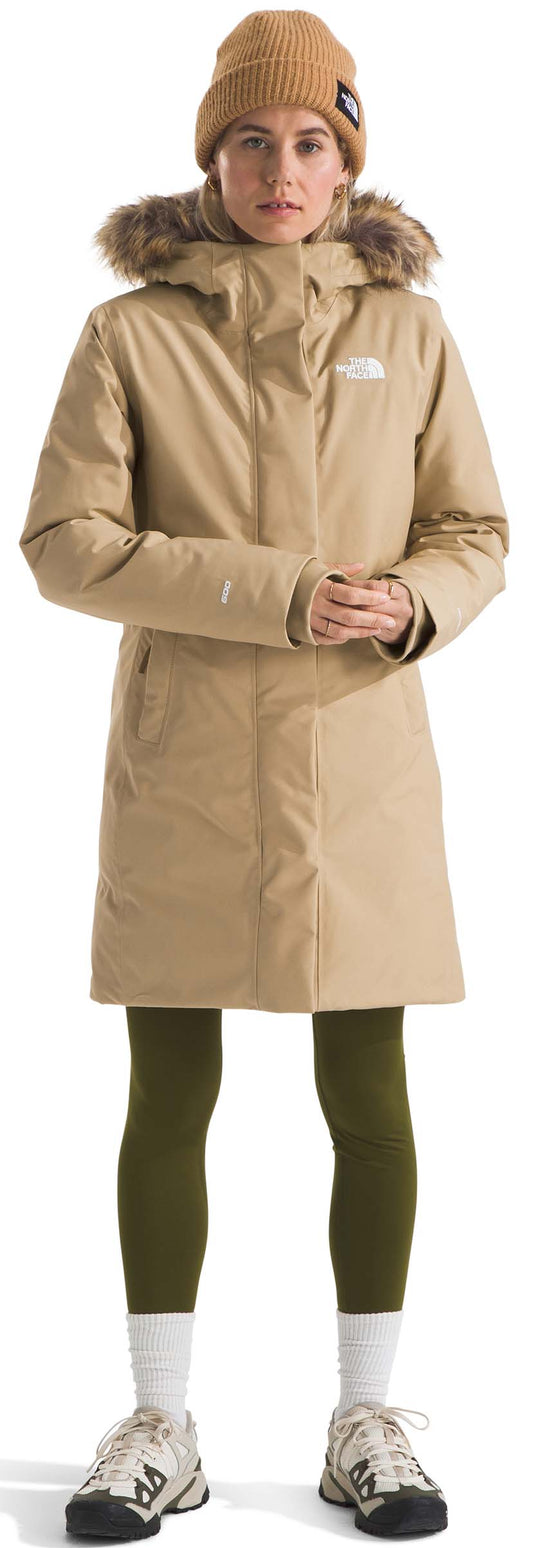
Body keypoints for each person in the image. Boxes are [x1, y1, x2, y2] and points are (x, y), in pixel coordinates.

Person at [19, 9, 509, 1541]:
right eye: (249, 140)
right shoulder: (130, 334)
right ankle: (158, 1419)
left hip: (358, 768)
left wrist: (414, 600)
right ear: (209, 155)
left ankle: (369, 1415)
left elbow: (474, 531)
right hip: (189, 765)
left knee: (369, 1091)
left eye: (309, 141)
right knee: (169, 1090)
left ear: (348, 161)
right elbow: (64, 545)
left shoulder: (410, 332)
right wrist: (277, 592)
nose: (279, 170)